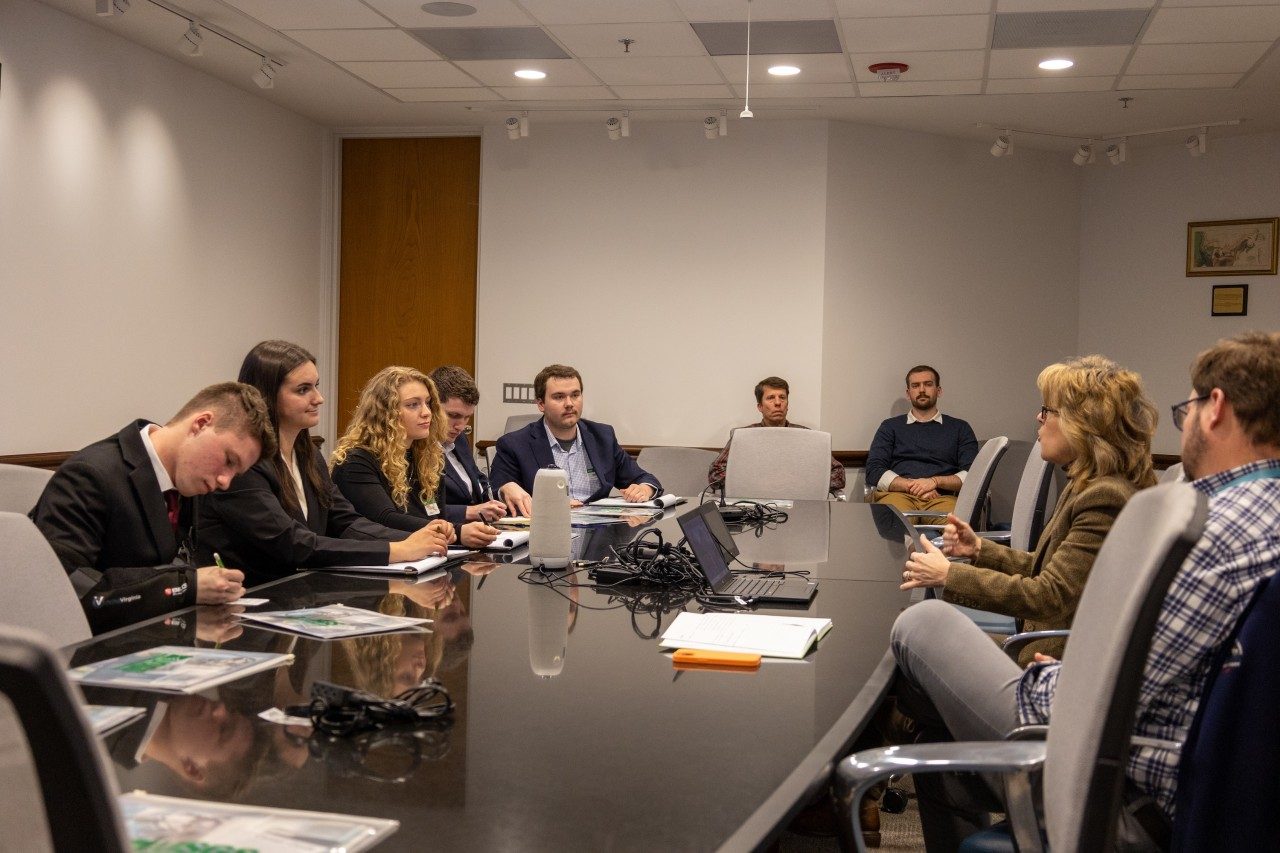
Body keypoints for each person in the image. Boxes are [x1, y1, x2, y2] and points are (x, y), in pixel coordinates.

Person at [889, 332, 1280, 849]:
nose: (1182, 422)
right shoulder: (1246, 515)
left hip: (1112, 779)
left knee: (920, 626)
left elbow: (1105, 681)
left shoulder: (1209, 530)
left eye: (1187, 407)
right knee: (934, 723)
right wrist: (981, 552)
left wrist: (1051, 674)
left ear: (1215, 409)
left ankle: (860, 774)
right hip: (1129, 742)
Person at [901, 355, 1158, 664]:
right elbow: (1043, 566)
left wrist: (950, 575)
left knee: (913, 644)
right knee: (914, 643)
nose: (1038, 417)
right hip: (1035, 647)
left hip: (1045, 662)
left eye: (1047, 410)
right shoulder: (1087, 484)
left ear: (1083, 421)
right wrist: (980, 548)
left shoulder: (1105, 496)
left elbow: (1049, 596)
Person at [195, 341, 452, 587]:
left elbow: (346, 521)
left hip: (301, 594)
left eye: (316, 386)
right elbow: (293, 543)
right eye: (303, 389)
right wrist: (396, 549)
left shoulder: (309, 455)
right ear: (267, 396)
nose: (319, 398)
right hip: (250, 604)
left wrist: (417, 539)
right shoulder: (243, 463)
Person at [30, 382, 271, 634]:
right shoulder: (89, 475)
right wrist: (185, 586)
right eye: (228, 460)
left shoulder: (187, 479)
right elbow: (68, 591)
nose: (225, 481)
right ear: (200, 424)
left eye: (236, 472)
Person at [330, 366, 499, 549]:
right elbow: (384, 519)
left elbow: (436, 516)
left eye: (428, 403)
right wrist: (457, 532)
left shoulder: (426, 458)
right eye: (413, 405)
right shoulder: (356, 461)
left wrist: (452, 531)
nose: (427, 412)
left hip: (423, 558)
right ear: (386, 413)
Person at [489, 364, 661, 516]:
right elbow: (500, 493)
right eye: (559, 397)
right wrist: (550, 507)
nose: (569, 403)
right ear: (541, 404)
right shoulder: (514, 444)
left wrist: (644, 489)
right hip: (545, 533)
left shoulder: (603, 437)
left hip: (596, 537)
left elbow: (644, 478)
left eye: (575, 395)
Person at [865, 365, 979, 517]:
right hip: (898, 496)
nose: (922, 390)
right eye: (915, 386)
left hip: (942, 498)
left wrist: (935, 482)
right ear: (908, 393)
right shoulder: (890, 427)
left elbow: (971, 475)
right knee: (897, 529)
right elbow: (874, 471)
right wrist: (915, 486)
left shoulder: (960, 428)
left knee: (956, 530)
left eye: (928, 384)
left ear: (939, 391)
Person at [706, 376, 846, 494]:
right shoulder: (744, 437)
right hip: (755, 504)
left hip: (799, 502)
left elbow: (838, 473)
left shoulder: (806, 436)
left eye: (782, 397)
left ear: (788, 404)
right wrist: (756, 484)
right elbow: (715, 472)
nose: (778, 403)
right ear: (760, 407)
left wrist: (803, 484)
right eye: (771, 398)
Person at [429, 365, 507, 525]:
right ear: (431, 406)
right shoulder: (415, 448)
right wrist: (469, 512)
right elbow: (421, 509)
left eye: (467, 418)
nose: (461, 426)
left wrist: (501, 492)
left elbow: (477, 479)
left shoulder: (459, 438)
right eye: (453, 415)